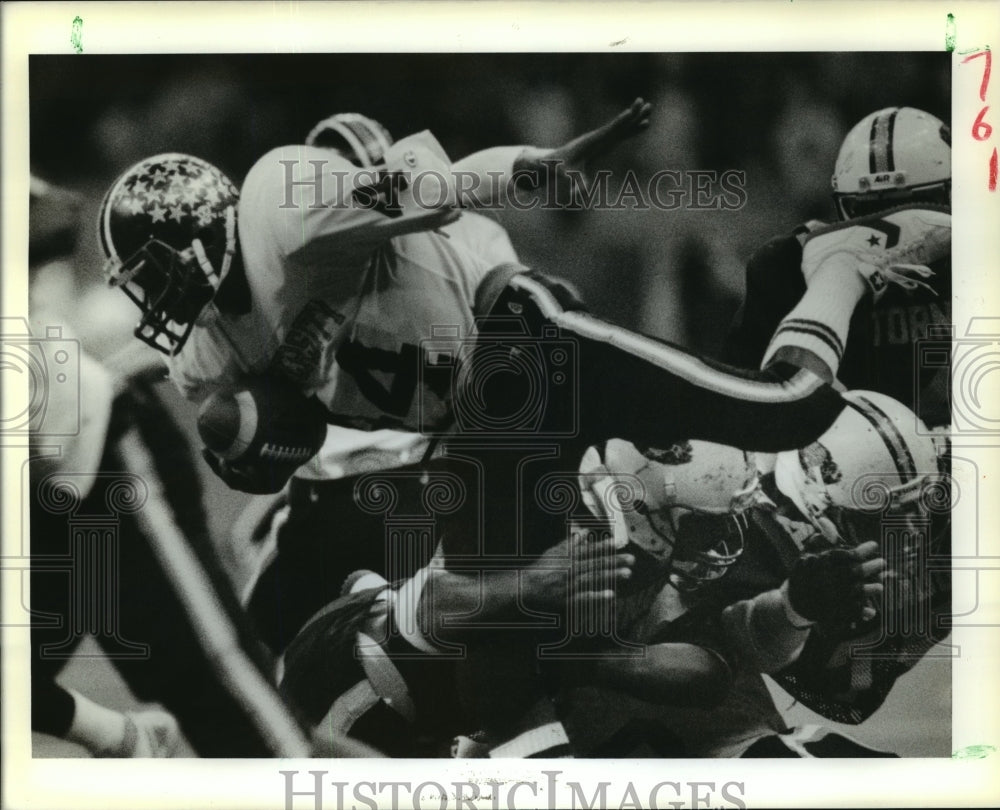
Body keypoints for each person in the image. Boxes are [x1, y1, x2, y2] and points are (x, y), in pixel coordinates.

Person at [27, 175, 316, 758]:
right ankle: (126, 739)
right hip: (37, 475)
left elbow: (53, 210)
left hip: (97, 465)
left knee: (237, 724)